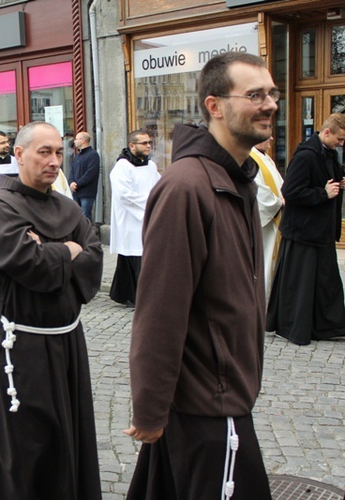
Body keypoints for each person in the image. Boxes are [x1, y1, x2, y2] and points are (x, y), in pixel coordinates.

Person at [125, 52, 276, 500]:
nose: (269, 103)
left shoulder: (238, 180)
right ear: (214, 106)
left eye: (271, 93)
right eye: (254, 94)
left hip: (223, 397)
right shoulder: (186, 187)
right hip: (208, 405)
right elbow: (159, 312)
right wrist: (150, 409)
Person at [0, 121, 103, 499]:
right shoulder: (0, 208)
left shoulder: (66, 206)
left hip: (66, 340)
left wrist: (53, 251)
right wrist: (67, 250)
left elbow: (95, 256)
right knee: (26, 438)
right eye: (43, 152)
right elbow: (30, 266)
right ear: (18, 155)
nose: (54, 161)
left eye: (59, 153)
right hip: (23, 344)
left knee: (68, 428)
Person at [266, 113, 345, 345]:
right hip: (304, 233)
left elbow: (324, 183)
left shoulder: (328, 153)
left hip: (320, 232)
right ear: (327, 132)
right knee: (301, 285)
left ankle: (324, 327)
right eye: (339, 139)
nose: (342, 144)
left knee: (324, 283)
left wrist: (338, 183)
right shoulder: (307, 156)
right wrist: (323, 193)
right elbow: (291, 192)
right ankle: (296, 327)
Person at [108, 129, 161, 306]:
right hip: (130, 218)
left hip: (147, 215)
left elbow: (159, 186)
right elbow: (124, 195)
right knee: (133, 256)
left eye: (149, 143)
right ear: (132, 146)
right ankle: (135, 296)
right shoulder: (122, 167)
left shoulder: (151, 165)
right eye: (144, 143)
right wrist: (151, 203)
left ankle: (127, 294)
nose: (148, 146)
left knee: (140, 255)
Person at [250, 136, 284, 301]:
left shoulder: (265, 158)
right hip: (265, 227)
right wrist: (279, 203)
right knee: (263, 267)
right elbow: (258, 193)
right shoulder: (249, 157)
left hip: (275, 224)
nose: (272, 137)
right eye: (267, 132)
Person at [69, 131, 100, 222]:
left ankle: (87, 235)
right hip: (76, 192)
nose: (74, 141)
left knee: (85, 216)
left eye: (76, 139)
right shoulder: (78, 156)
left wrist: (77, 184)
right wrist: (71, 182)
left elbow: (90, 173)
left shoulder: (93, 155)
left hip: (87, 193)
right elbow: (72, 171)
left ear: (82, 140)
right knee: (76, 217)